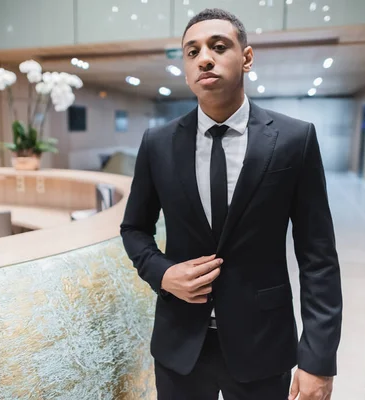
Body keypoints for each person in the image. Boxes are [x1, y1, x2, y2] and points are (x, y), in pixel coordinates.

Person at [120, 8, 342, 400]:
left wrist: (317, 360)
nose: (204, 57)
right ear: (187, 70)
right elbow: (134, 229)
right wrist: (162, 273)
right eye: (192, 52)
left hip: (263, 345)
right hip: (180, 345)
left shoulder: (294, 140)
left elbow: (318, 257)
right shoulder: (158, 144)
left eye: (218, 46)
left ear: (247, 57)